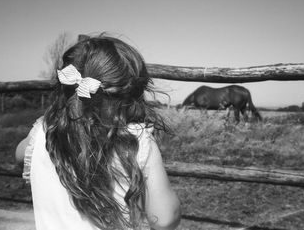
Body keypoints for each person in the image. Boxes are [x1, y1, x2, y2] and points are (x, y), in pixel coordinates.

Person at [15, 35, 181, 230]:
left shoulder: (43, 132)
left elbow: (20, 155)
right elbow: (165, 219)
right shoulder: (137, 140)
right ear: (130, 94)